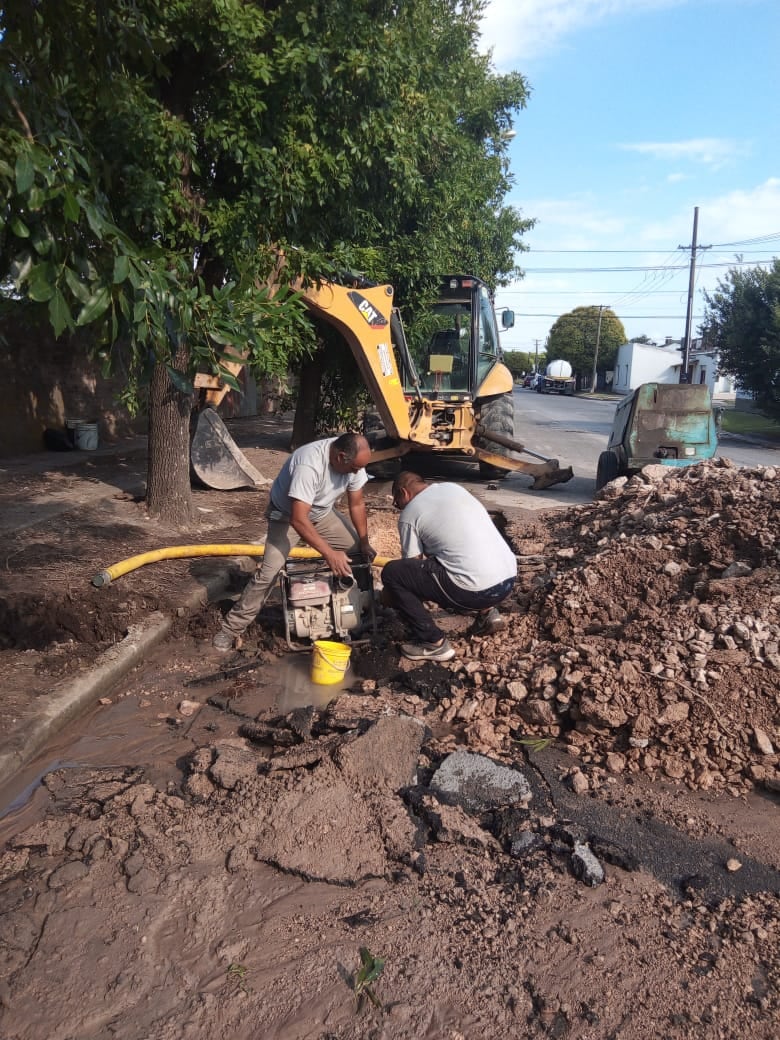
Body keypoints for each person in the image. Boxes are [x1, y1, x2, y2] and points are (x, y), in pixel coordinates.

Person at [212, 432, 376, 651]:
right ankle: (231, 628)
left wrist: (364, 541)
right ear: (340, 456)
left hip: (322, 513)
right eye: (354, 468)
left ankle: (362, 608)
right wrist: (329, 553)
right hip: (287, 517)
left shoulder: (354, 461)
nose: (357, 472)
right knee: (268, 573)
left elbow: (356, 504)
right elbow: (299, 519)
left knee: (357, 553)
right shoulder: (309, 465)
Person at [381, 471, 517, 662]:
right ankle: (488, 613)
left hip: (474, 592)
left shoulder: (410, 513)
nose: (399, 508)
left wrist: (391, 598)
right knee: (461, 558)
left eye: (397, 503)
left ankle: (433, 644)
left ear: (404, 493)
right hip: (508, 579)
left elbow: (412, 566)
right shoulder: (452, 488)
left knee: (393, 572)